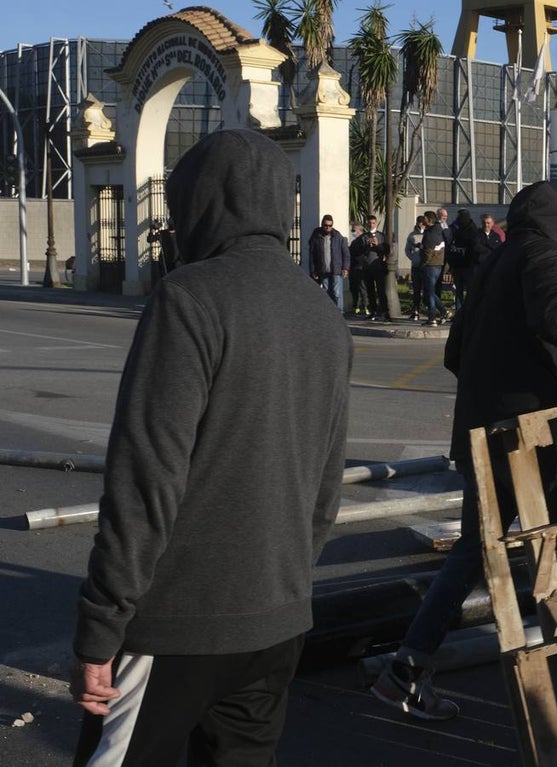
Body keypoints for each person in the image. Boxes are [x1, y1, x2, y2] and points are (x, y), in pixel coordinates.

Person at [70, 129, 352, 766]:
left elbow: (145, 480)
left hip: (179, 622)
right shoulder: (322, 314)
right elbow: (325, 490)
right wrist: (283, 581)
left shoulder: (190, 297)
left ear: (197, 204)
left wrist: (101, 624)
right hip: (277, 620)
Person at [370, 180, 557, 720]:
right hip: (526, 436)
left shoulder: (498, 260)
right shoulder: (541, 255)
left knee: (474, 551)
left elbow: (455, 351)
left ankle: (404, 672)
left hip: (481, 433)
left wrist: (492, 388)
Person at [309, 214, 351, 312]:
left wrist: (345, 268)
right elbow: (312, 255)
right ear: (322, 224)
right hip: (323, 270)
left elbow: (346, 253)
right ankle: (329, 313)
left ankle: (339, 312)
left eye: (330, 225)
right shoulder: (316, 237)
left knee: (337, 293)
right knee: (326, 292)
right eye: (326, 225)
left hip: (336, 269)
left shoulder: (338, 236)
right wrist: (313, 270)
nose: (328, 227)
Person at [446, 209, 479, 313]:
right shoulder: (457, 228)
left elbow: (474, 247)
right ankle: (459, 311)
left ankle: (468, 311)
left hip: (468, 265)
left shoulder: (472, 230)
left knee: (468, 290)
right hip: (458, 264)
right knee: (459, 291)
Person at [419, 210, 446, 326]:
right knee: (430, 291)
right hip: (438, 265)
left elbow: (428, 252)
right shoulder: (439, 231)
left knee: (429, 293)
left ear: (429, 220)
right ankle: (444, 311)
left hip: (430, 266)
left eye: (424, 219)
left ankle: (432, 317)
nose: (422, 220)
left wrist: (423, 263)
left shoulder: (430, 234)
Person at [405, 217, 426, 321]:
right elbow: (407, 249)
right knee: (416, 289)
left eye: (422, 223)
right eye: (419, 223)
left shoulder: (428, 234)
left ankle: (428, 309)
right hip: (416, 266)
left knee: (427, 289)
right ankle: (416, 310)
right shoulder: (412, 235)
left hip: (426, 265)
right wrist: (413, 258)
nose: (421, 225)